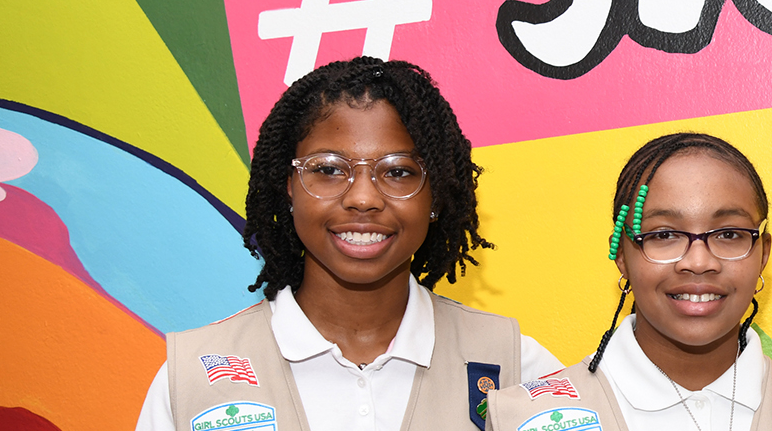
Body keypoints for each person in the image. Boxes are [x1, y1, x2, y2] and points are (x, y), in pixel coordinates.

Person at [134, 56, 563, 431]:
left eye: (397, 172)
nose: (362, 198)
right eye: (328, 169)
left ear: (437, 195)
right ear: (289, 187)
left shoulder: (515, 368)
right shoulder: (191, 379)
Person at [484, 132, 772, 431]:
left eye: (728, 234)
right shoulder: (523, 418)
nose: (698, 262)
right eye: (663, 235)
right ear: (621, 255)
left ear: (763, 254)